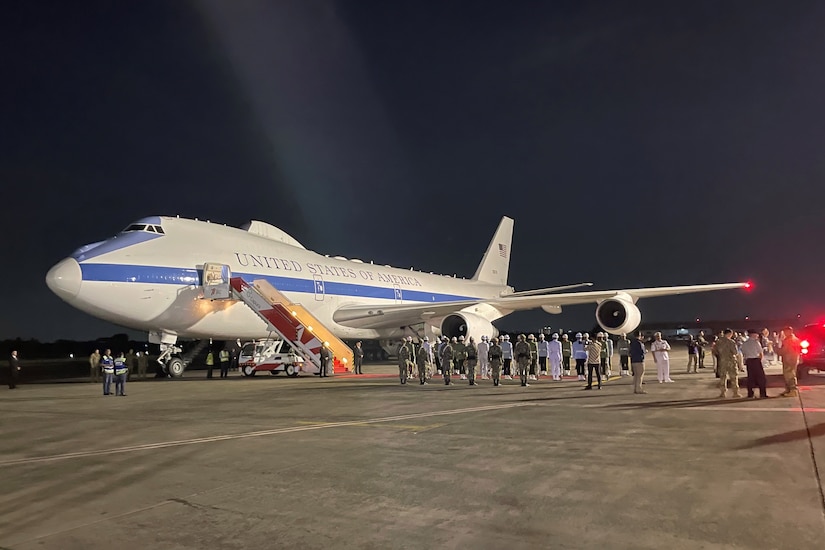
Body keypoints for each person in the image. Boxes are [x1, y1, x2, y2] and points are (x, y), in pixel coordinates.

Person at [741, 329, 767, 398]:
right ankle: (762, 394)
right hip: (756, 360)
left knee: (750, 378)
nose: (757, 335)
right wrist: (760, 361)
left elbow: (743, 353)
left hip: (749, 361)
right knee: (761, 378)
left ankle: (750, 393)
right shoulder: (756, 343)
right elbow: (761, 353)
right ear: (753, 334)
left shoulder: (744, 343)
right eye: (756, 334)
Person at [716, 329, 741, 398]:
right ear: (729, 334)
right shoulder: (731, 342)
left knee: (723, 377)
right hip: (731, 361)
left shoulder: (718, 342)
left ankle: (722, 393)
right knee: (733, 377)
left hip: (722, 361)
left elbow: (716, 352)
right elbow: (735, 352)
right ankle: (735, 392)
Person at [777, 326, 801, 397]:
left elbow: (784, 350)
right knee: (791, 374)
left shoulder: (788, 340)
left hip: (789, 359)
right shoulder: (796, 339)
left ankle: (792, 391)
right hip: (794, 359)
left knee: (789, 375)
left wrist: (778, 351)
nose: (784, 333)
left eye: (785, 332)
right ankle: (788, 390)